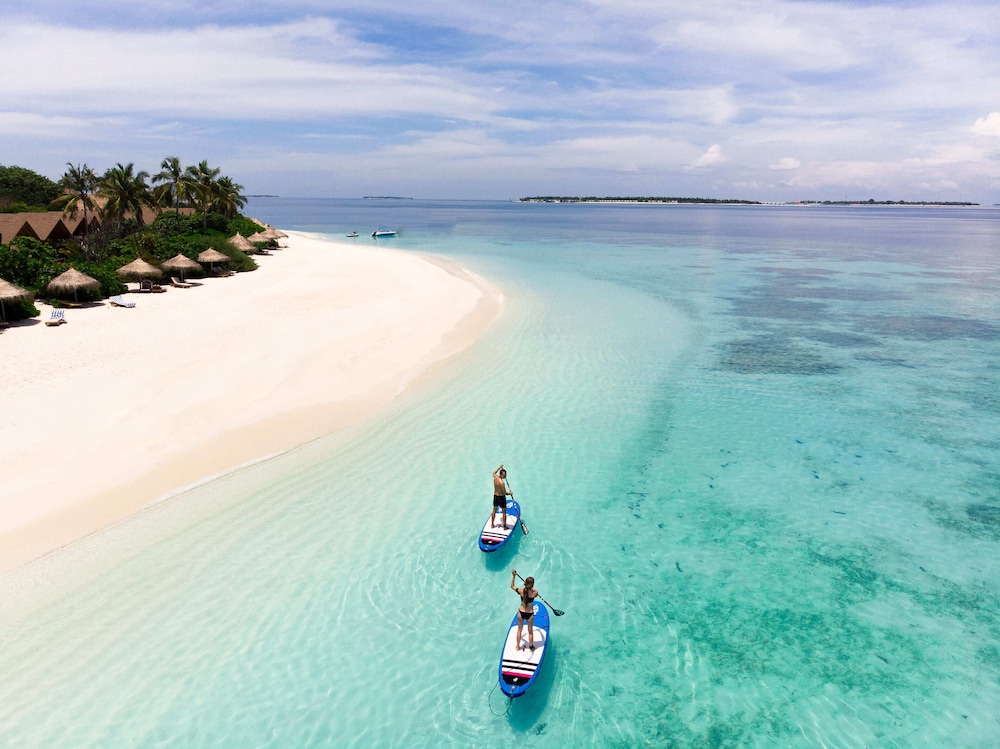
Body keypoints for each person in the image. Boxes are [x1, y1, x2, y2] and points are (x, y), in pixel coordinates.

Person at [511, 569, 539, 651]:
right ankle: (531, 647)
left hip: (521, 612)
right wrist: (531, 587)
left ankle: (517, 646)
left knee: (519, 630)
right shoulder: (535, 593)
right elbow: (534, 590)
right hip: (529, 614)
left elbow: (512, 586)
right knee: (530, 632)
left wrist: (513, 576)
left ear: (525, 584)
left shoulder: (520, 591)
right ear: (532, 585)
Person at [492, 464, 513, 529]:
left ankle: (492, 525)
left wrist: (499, 468)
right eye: (504, 475)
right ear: (501, 474)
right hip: (501, 498)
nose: (505, 476)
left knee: (494, 511)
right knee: (504, 512)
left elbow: (493, 473)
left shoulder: (495, 477)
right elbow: (504, 493)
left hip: (495, 496)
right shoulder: (502, 483)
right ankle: (504, 526)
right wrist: (510, 493)